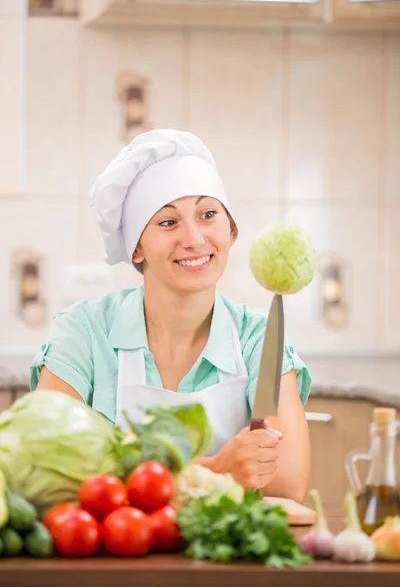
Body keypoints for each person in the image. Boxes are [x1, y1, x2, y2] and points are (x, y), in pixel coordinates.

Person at [30, 129, 311, 502]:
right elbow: (48, 469)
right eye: (167, 222)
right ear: (136, 248)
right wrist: (214, 471)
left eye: (208, 214)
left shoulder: (258, 337)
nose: (194, 239)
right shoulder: (83, 333)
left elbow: (287, 484)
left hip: (222, 555)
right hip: (114, 553)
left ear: (230, 231)